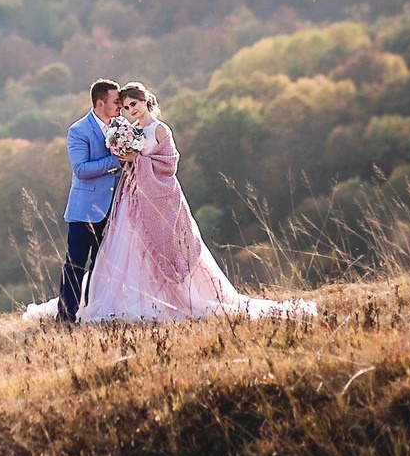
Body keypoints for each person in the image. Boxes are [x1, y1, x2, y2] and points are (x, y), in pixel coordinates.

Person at [73, 82, 315, 323]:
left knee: (164, 245)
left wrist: (138, 158)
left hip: (158, 196)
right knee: (131, 248)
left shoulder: (160, 130)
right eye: (125, 107)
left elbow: (168, 164)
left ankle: (171, 297)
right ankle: (135, 299)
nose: (131, 110)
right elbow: (127, 163)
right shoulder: (131, 130)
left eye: (133, 104)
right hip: (133, 197)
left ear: (145, 101)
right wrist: (126, 157)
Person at [44, 78, 128, 323]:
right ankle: (67, 316)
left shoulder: (121, 126)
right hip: (84, 211)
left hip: (114, 209)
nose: (120, 107)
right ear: (100, 103)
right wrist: (116, 162)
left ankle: (95, 312)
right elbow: (81, 169)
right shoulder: (79, 131)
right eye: (116, 102)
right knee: (76, 266)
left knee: (104, 267)